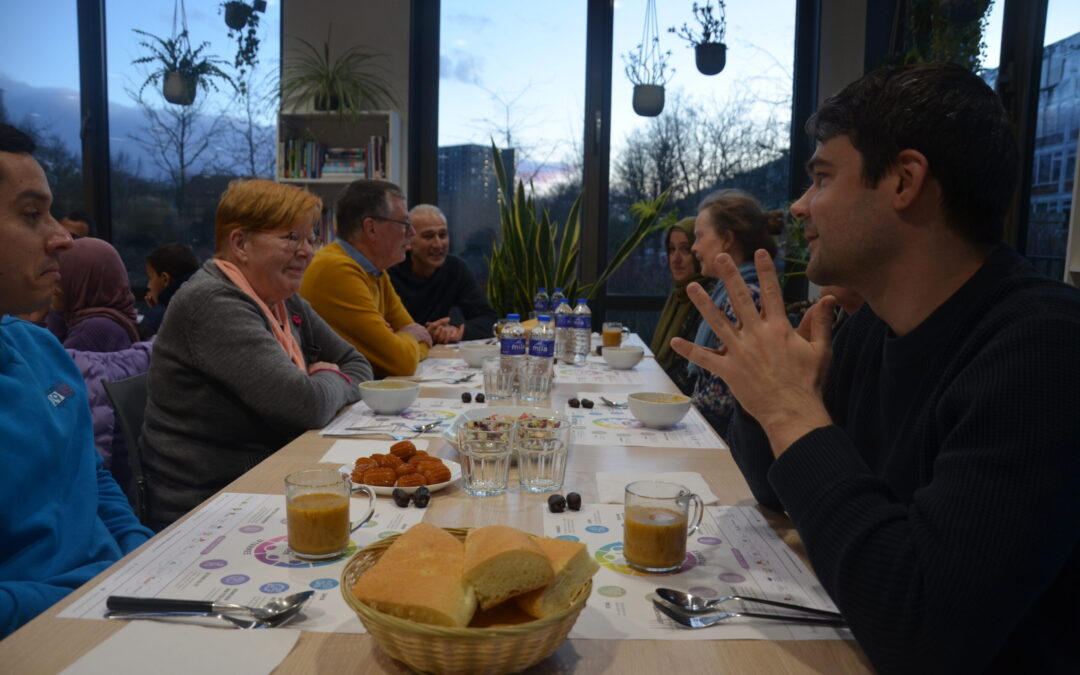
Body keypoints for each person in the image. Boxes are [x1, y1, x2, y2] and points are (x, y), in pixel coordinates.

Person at [672, 63, 1080, 673]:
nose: (801, 206)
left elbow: (923, 632)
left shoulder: (1043, 350)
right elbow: (771, 491)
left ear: (904, 181)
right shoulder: (868, 331)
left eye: (822, 177)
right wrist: (769, 395)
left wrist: (792, 411)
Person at [141, 179, 373, 528]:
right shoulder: (212, 302)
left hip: (271, 473)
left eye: (310, 239)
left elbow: (359, 365)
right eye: (291, 238)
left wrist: (323, 382)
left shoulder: (282, 298)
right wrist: (328, 376)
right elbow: (305, 404)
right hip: (210, 506)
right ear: (240, 243)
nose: (307, 251)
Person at [0, 123, 152, 638]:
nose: (62, 238)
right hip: (43, 632)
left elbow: (91, 475)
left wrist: (141, 552)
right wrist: (90, 593)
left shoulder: (40, 346)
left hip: (112, 599)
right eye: (30, 214)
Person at [299, 179, 433, 377]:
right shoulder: (336, 270)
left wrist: (401, 338)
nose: (411, 233)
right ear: (371, 228)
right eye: (405, 224)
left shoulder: (375, 269)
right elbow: (401, 361)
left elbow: (421, 340)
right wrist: (404, 338)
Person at [686, 190, 783, 440]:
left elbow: (722, 400)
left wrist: (671, 413)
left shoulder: (746, 299)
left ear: (726, 239)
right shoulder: (728, 293)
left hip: (726, 445)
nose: (694, 247)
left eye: (699, 236)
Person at [388, 204, 498, 343]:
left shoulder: (455, 268)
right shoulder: (389, 272)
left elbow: (488, 319)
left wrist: (455, 331)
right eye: (428, 237)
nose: (438, 244)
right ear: (409, 241)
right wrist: (425, 334)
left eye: (443, 235)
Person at [650, 217, 716, 395]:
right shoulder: (678, 294)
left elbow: (687, 374)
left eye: (685, 250)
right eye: (671, 250)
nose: (675, 259)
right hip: (663, 389)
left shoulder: (707, 296)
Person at [47, 237, 139, 352]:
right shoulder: (115, 317)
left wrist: (50, 312)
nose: (55, 289)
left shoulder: (93, 329)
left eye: (59, 280)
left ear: (80, 283)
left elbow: (46, 363)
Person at [140, 242, 200, 336]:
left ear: (165, 279)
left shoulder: (157, 317)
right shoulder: (206, 304)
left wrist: (155, 312)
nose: (149, 285)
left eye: (150, 278)